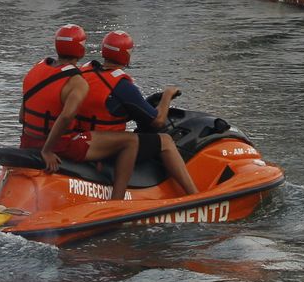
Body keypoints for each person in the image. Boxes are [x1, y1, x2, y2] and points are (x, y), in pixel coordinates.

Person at [39, 31, 198, 201]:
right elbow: (158, 121)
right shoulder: (122, 85)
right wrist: (167, 95)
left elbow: (106, 108)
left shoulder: (83, 73)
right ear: (127, 56)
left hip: (81, 138)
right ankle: (194, 196)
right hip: (105, 146)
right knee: (165, 141)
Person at [29, 28, 141, 201]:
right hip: (59, 146)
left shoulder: (37, 70)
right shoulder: (77, 81)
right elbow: (66, 117)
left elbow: (23, 116)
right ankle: (117, 203)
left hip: (28, 141)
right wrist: (47, 150)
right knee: (131, 141)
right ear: (81, 50)